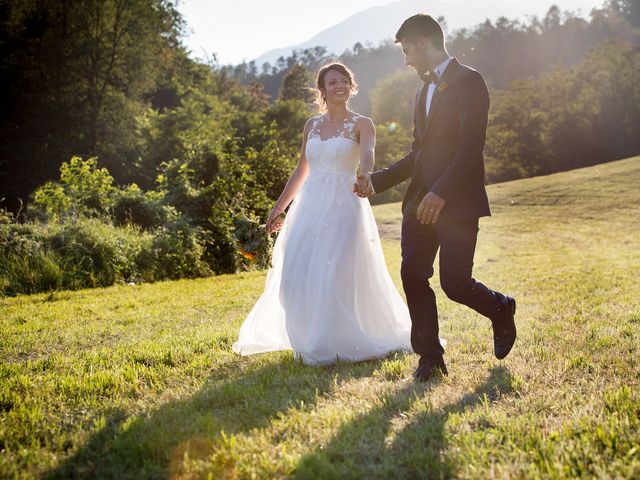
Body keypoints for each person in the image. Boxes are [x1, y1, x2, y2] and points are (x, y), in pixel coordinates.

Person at [354, 14, 517, 382]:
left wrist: (440, 193)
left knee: (455, 284)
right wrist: (377, 181)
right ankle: (430, 356)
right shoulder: (421, 92)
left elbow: (470, 148)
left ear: (424, 42)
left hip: (455, 201)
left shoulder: (470, 81)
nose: (407, 60)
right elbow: (419, 153)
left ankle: (501, 308)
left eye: (408, 50)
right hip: (417, 204)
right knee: (413, 273)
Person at [232, 61, 425, 367]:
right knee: (295, 270)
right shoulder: (311, 125)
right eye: (332, 82)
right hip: (309, 206)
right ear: (321, 90)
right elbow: (301, 170)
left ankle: (335, 341)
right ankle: (309, 336)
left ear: (352, 86)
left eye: (344, 81)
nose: (339, 86)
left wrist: (367, 174)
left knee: (333, 269)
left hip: (345, 203)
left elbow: (368, 153)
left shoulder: (363, 124)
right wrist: (279, 207)